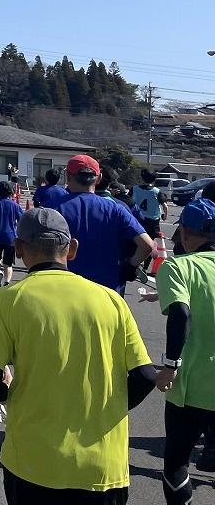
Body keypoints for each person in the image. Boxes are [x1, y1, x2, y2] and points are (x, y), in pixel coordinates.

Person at [0, 207, 156, 504]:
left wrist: (8, 391)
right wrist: (108, 409)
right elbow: (146, 375)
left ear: (19, 248)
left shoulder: (8, 300)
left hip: (34, 463)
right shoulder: (111, 300)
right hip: (103, 467)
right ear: (72, 249)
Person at [155, 198, 215, 505]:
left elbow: (180, 312)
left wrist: (170, 365)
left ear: (186, 234)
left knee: (176, 463)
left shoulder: (178, 267)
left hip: (193, 387)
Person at [55, 154, 152, 295]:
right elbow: (147, 245)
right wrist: (130, 267)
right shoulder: (116, 209)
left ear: (67, 176)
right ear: (99, 178)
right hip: (107, 292)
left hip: (66, 290)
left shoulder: (52, 209)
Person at [0, 181, 23, 288]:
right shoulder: (15, 205)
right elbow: (22, 220)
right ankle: (6, 283)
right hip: (10, 237)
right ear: (11, 192)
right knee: (8, 263)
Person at [133, 169, 166, 241]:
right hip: (152, 221)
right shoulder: (157, 191)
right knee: (151, 241)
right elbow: (165, 206)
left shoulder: (134, 189)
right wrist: (164, 216)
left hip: (138, 219)